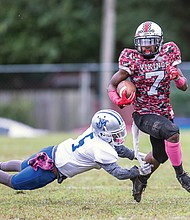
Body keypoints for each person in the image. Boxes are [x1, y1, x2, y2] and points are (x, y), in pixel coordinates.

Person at [107, 21, 190, 202]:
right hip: (143, 114)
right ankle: (182, 176)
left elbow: (184, 86)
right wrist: (118, 100)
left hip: (164, 113)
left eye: (150, 42)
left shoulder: (168, 55)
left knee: (160, 154)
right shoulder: (132, 59)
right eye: (142, 42)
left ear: (159, 42)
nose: (145, 47)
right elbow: (112, 85)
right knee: (172, 133)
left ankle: (140, 178)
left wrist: (176, 77)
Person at [0, 109, 152, 191]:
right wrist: (138, 172)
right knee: (13, 182)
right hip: (49, 169)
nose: (119, 136)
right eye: (116, 134)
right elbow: (118, 173)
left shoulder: (94, 131)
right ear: (104, 133)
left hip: (50, 151)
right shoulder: (100, 149)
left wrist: (137, 155)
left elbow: (119, 149)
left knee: (20, 165)